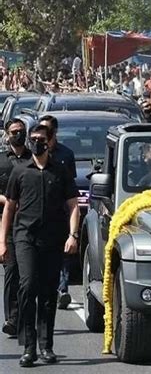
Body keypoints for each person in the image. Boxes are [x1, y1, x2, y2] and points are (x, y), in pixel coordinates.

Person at [0, 124, 79, 367]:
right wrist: (2, 242)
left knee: (47, 294)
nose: (35, 142)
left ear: (50, 140)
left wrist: (73, 235)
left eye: (40, 138)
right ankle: (28, 346)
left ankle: (46, 346)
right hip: (25, 238)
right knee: (27, 285)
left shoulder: (60, 171)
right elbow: (9, 208)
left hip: (53, 239)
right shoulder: (20, 171)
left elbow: (74, 206)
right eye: (32, 139)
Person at [38, 115, 77, 310]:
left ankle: (62, 289)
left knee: (63, 254)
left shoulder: (66, 155)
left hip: (60, 214)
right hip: (39, 215)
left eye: (47, 132)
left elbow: (71, 188)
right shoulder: (34, 155)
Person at [0, 119, 31, 337]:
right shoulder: (1, 160)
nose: (18, 135)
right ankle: (12, 317)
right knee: (11, 270)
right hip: (6, 222)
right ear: (6, 134)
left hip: (30, 224)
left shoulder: (34, 158)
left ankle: (26, 315)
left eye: (21, 132)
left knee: (27, 275)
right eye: (14, 132)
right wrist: (8, 201)